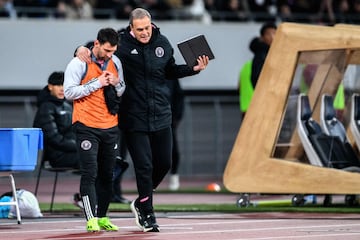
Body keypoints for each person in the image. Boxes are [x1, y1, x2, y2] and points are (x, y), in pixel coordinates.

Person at [76, 7, 209, 233]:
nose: (145, 32)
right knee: (144, 166)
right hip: (133, 117)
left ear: (152, 24)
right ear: (131, 28)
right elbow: (99, 47)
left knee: (164, 163)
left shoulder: (163, 43)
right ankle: (147, 212)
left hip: (161, 115)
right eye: (140, 29)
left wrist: (192, 69)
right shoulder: (121, 43)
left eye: (147, 27)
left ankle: (140, 200)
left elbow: (169, 70)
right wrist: (81, 48)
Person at [64, 27, 126, 232]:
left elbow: (122, 88)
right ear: (96, 44)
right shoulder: (79, 62)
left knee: (108, 175)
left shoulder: (115, 62)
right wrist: (96, 83)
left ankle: (102, 217)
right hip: (86, 125)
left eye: (113, 51)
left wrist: (116, 83)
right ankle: (90, 219)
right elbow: (69, 92)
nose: (110, 55)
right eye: (107, 50)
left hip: (110, 125)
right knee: (90, 173)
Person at [33, 71, 83, 209]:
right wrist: (79, 147)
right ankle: (85, 198)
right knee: (91, 159)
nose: (62, 88)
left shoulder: (68, 106)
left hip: (72, 151)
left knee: (109, 160)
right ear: (50, 87)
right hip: (56, 156)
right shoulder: (46, 107)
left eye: (64, 85)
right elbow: (53, 138)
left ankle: (91, 197)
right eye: (58, 85)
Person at [167, 78, 185, 191]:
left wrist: (177, 117)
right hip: (148, 120)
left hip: (168, 120)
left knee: (173, 151)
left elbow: (179, 96)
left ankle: (174, 176)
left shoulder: (171, 78)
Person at [250, 21, 277, 89]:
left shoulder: (274, 52)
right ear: (262, 37)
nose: (272, 37)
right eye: (268, 34)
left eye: (274, 33)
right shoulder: (262, 53)